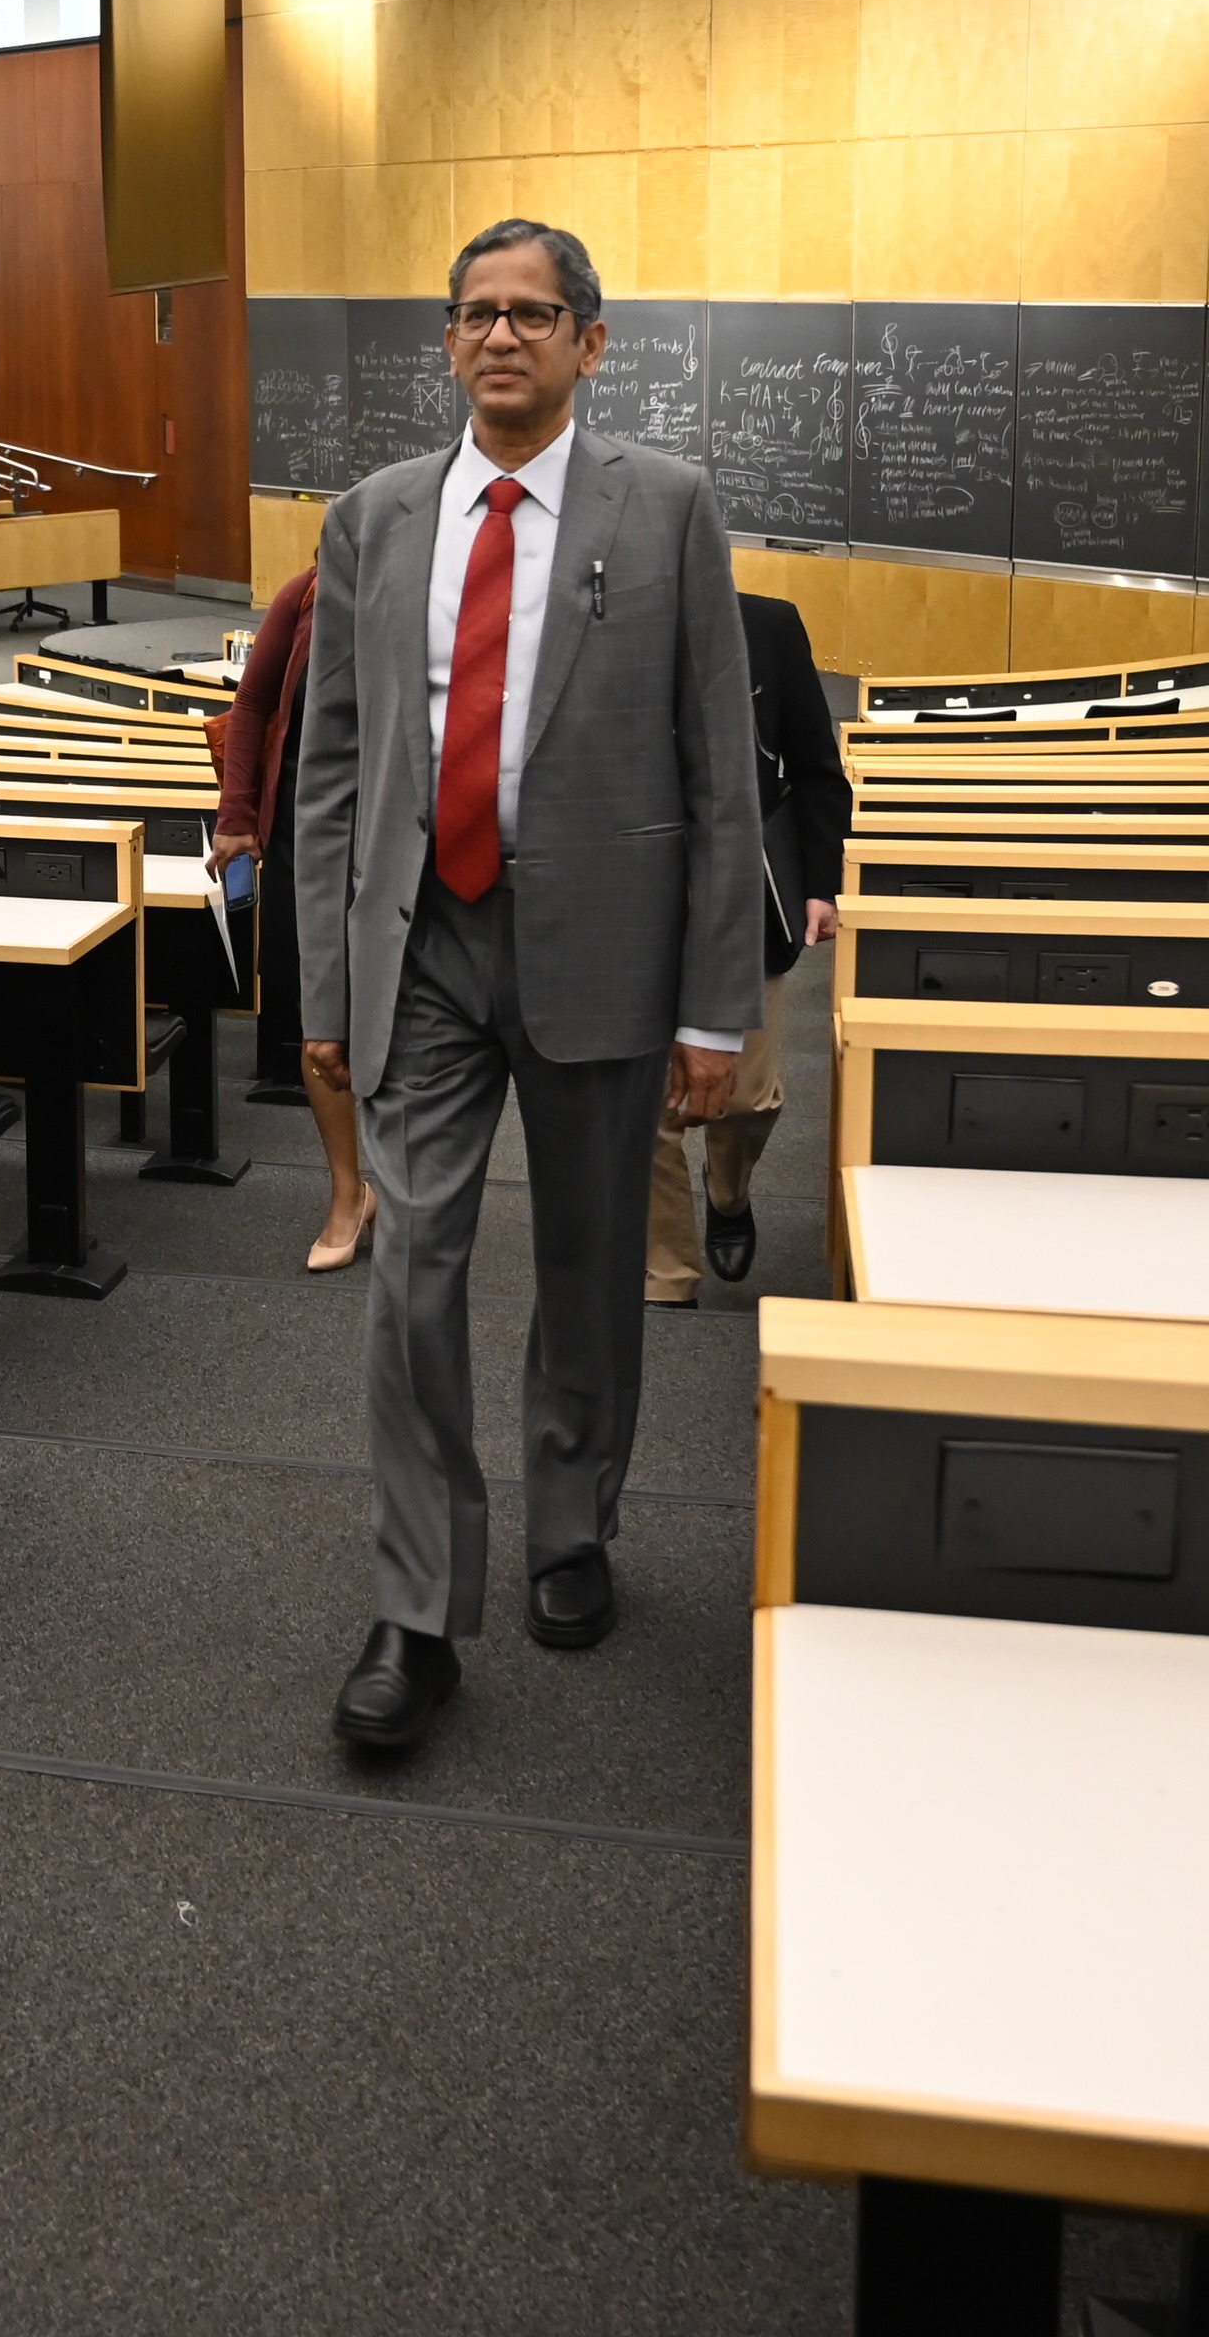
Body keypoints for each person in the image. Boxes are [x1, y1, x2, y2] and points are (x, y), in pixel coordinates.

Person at [294, 218, 763, 1754]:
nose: (502, 337)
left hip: (603, 958)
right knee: (407, 1270)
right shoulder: (369, 517)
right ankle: (417, 1608)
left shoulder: (670, 509)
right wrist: (323, 985)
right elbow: (333, 769)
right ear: (448, 341)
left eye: (534, 314)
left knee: (584, 1271)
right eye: (477, 314)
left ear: (588, 344)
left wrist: (715, 1006)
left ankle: (572, 1528)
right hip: (422, 946)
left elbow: (714, 773)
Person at [646, 592, 854, 1300]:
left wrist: (820, 884)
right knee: (647, 1106)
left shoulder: (766, 624)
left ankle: (727, 1192)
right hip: (634, 890)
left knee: (748, 1099)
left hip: (746, 892)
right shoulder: (595, 613)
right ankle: (667, 1270)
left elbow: (818, 768)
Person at [208, 558, 372, 1272]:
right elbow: (251, 706)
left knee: (407, 1018)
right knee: (321, 1023)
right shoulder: (308, 590)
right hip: (307, 830)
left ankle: (402, 1182)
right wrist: (237, 815)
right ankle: (347, 1190)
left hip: (408, 833)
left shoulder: (446, 590)